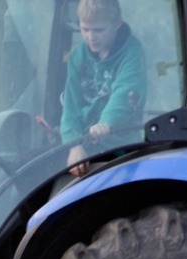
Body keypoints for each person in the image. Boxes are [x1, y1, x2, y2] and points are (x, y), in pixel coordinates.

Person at [61, 0, 147, 176]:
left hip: (121, 144)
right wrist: (74, 145)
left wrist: (105, 122)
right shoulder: (77, 56)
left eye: (98, 30)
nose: (91, 37)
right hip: (86, 143)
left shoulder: (132, 53)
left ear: (117, 23)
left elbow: (124, 92)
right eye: (85, 29)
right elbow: (71, 106)